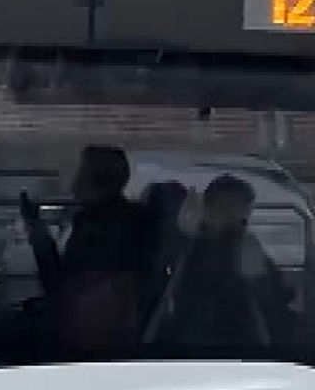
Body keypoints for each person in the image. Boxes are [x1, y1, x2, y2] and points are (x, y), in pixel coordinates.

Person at [20, 146, 149, 355]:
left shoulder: (103, 226)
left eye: (80, 176)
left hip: (90, 339)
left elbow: (61, 286)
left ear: (99, 183)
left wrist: (38, 235)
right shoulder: (117, 220)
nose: (73, 187)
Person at [178, 172, 293, 346]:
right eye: (224, 208)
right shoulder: (195, 246)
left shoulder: (241, 244)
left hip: (229, 335)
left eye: (240, 208)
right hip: (219, 338)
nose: (233, 215)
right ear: (208, 209)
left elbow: (272, 293)